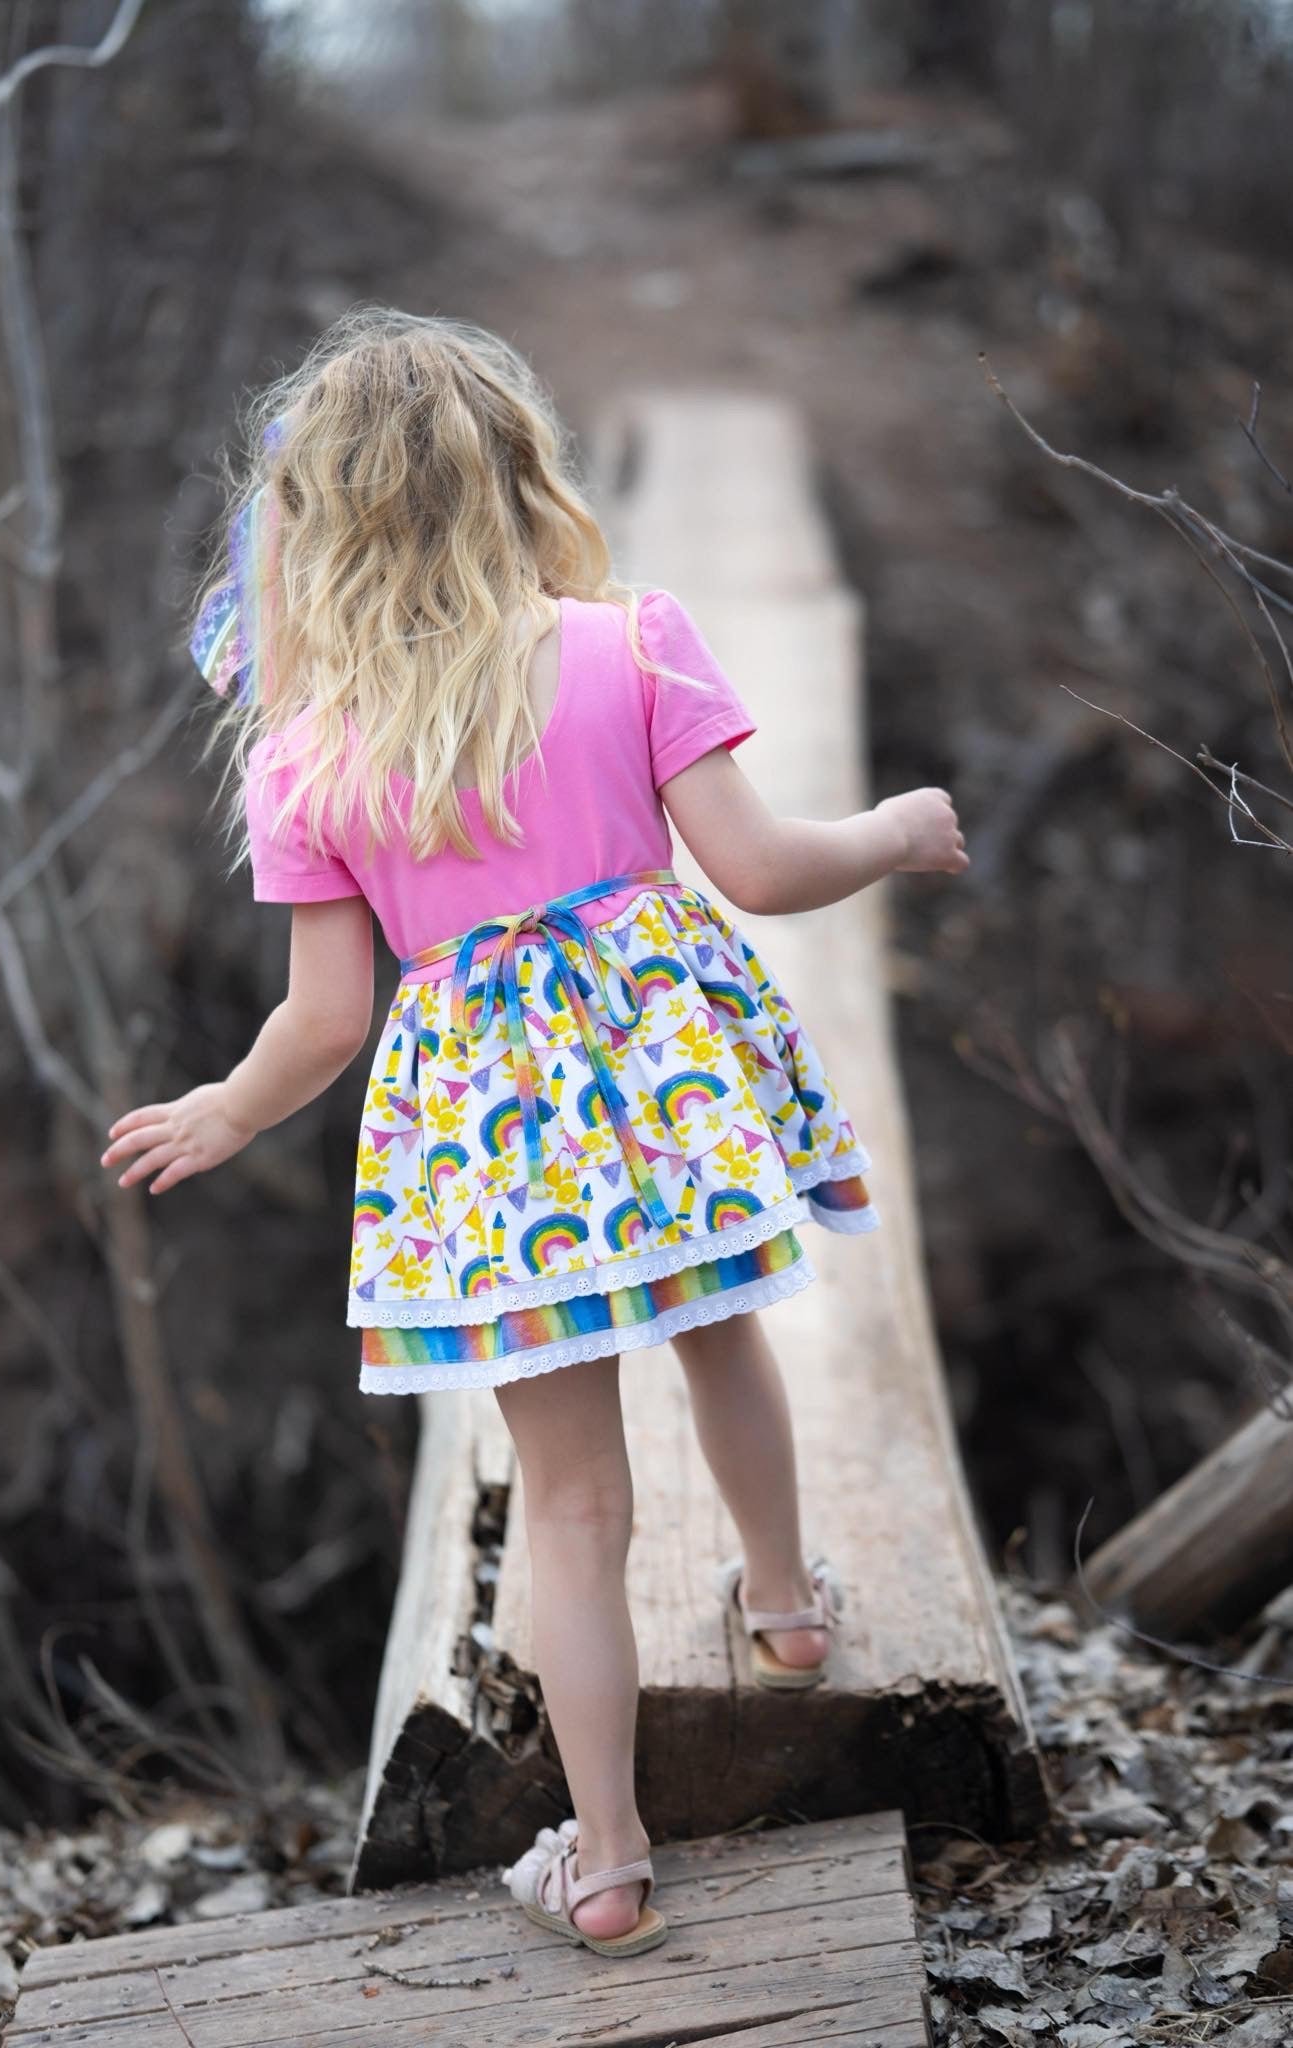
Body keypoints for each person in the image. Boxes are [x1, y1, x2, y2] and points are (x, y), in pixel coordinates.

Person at [99, 308, 967, 1959]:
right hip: (668, 1093)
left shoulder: (311, 752)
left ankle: (615, 1861)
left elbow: (328, 1023)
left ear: (317, 528)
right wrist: (893, 829)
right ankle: (785, 1611)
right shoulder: (630, 642)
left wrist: (224, 1108)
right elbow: (764, 872)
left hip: (494, 1147)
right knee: (722, 1329)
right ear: (514, 477)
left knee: (570, 1506)